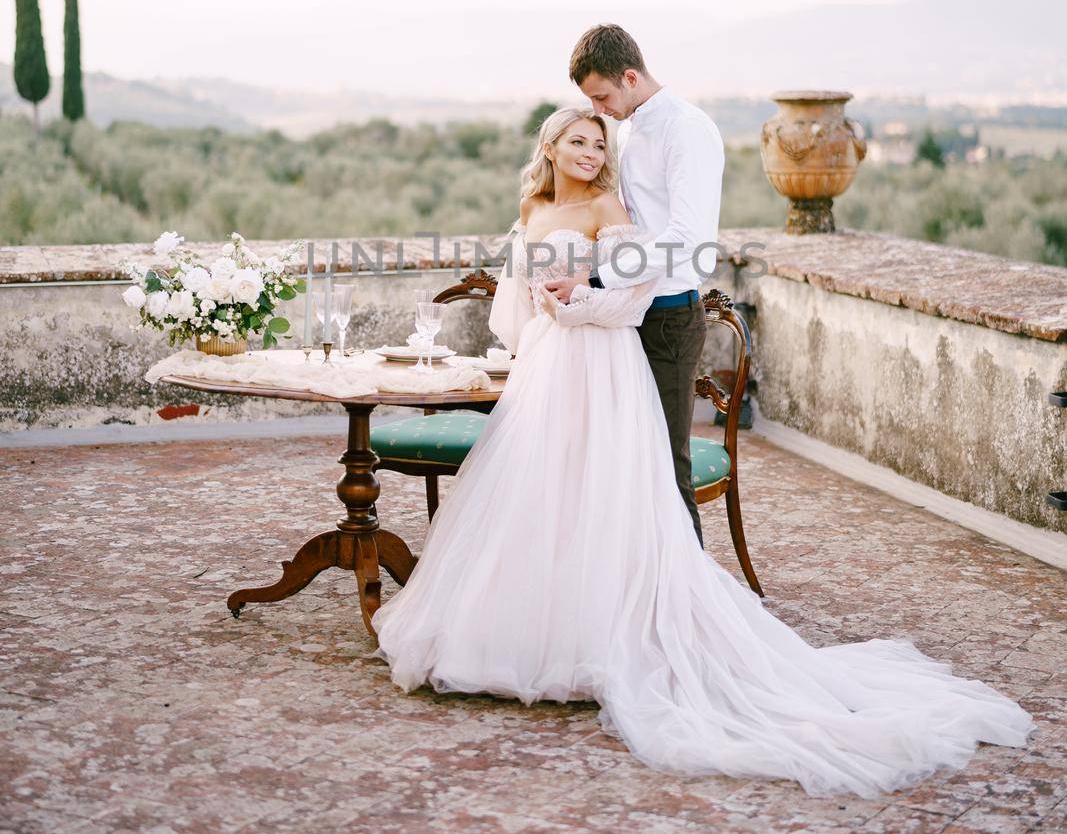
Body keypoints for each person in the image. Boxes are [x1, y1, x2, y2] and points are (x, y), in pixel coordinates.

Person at [370, 105, 1034, 798]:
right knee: (543, 491)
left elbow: (629, 301)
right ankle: (522, 630)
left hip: (601, 363)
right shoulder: (532, 208)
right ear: (550, 147)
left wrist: (573, 302)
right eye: (578, 140)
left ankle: (598, 639)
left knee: (602, 490)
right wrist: (538, 310)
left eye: (599, 142)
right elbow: (510, 308)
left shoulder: (609, 209)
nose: (591, 152)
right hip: (545, 366)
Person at [546, 24, 722, 548]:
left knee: (667, 464)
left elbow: (687, 239)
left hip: (668, 316)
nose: (599, 109)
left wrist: (594, 277)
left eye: (602, 96)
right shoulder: (629, 128)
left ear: (629, 76)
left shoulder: (685, 128)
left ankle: (687, 601)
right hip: (625, 315)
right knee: (624, 464)